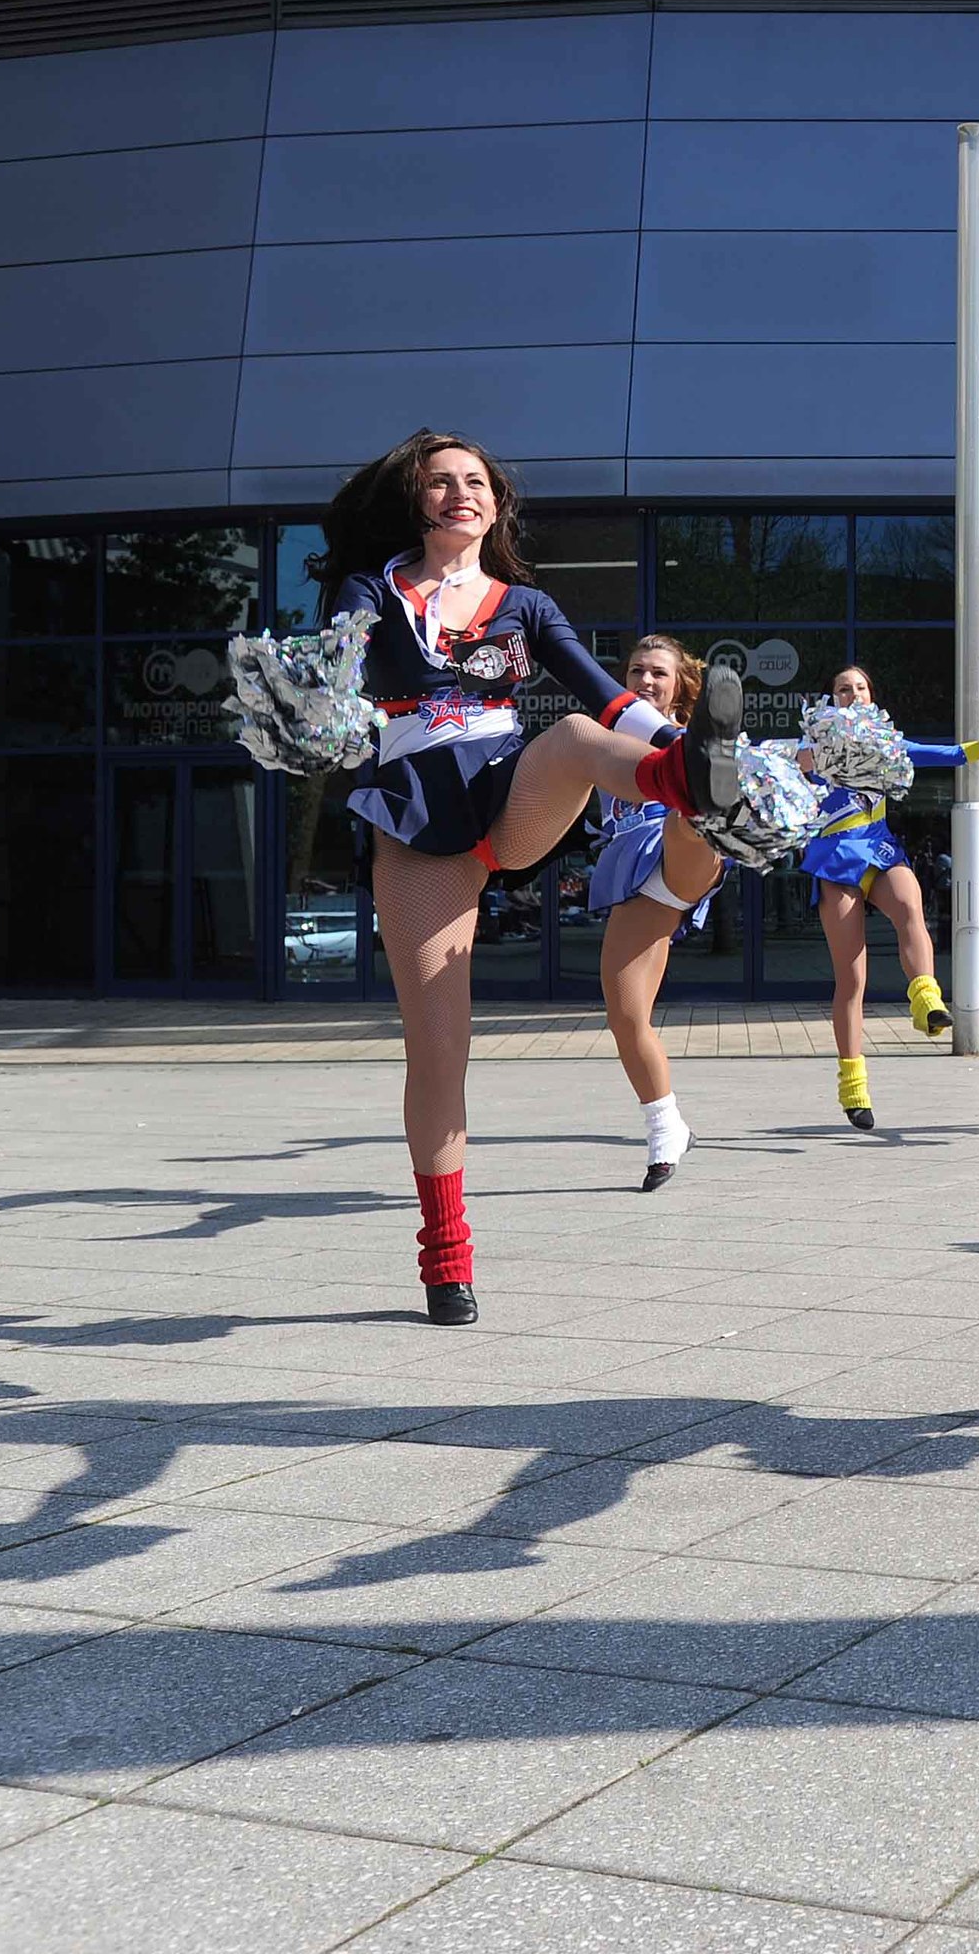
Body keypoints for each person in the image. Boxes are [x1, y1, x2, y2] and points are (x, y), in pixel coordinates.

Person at [316, 431, 744, 1326]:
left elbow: (612, 699)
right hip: (416, 820)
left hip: (507, 799)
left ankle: (690, 781)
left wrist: (684, 745)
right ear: (417, 501)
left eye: (475, 482)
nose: (459, 494)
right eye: (441, 483)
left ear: (496, 504)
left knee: (581, 741)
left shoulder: (528, 605)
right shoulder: (371, 591)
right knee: (439, 1055)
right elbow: (332, 683)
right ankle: (446, 1254)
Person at [583, 634, 728, 1192]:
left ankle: (708, 803)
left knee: (685, 819)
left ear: (679, 687)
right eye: (637, 670)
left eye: (658, 673)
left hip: (680, 854)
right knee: (626, 1019)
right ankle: (667, 1126)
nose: (645, 680)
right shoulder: (599, 740)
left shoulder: (687, 737)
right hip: (633, 879)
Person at [800, 663, 966, 1131]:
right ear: (831, 701)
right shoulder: (813, 750)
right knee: (852, 981)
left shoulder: (888, 746)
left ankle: (926, 1000)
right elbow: (771, 767)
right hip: (835, 864)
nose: (852, 694)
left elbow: (950, 754)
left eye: (860, 687)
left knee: (911, 905)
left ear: (872, 696)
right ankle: (853, 1087)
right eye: (842, 689)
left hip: (878, 850)